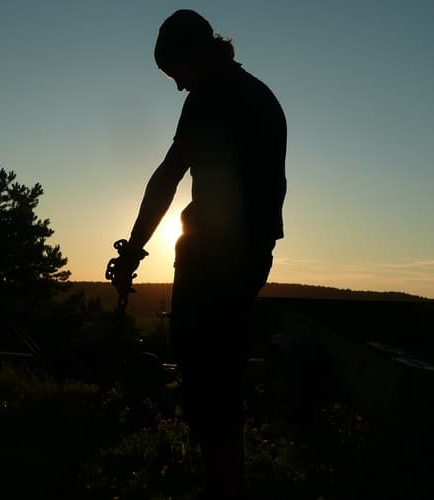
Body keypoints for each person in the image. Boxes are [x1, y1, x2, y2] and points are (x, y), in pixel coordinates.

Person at [107, 9, 287, 499]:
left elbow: (169, 175)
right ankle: (225, 480)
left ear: (195, 55)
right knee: (220, 375)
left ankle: (221, 484)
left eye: (176, 74)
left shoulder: (213, 96)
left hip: (214, 255)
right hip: (250, 253)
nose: (178, 87)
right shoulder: (256, 94)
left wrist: (132, 252)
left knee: (206, 377)